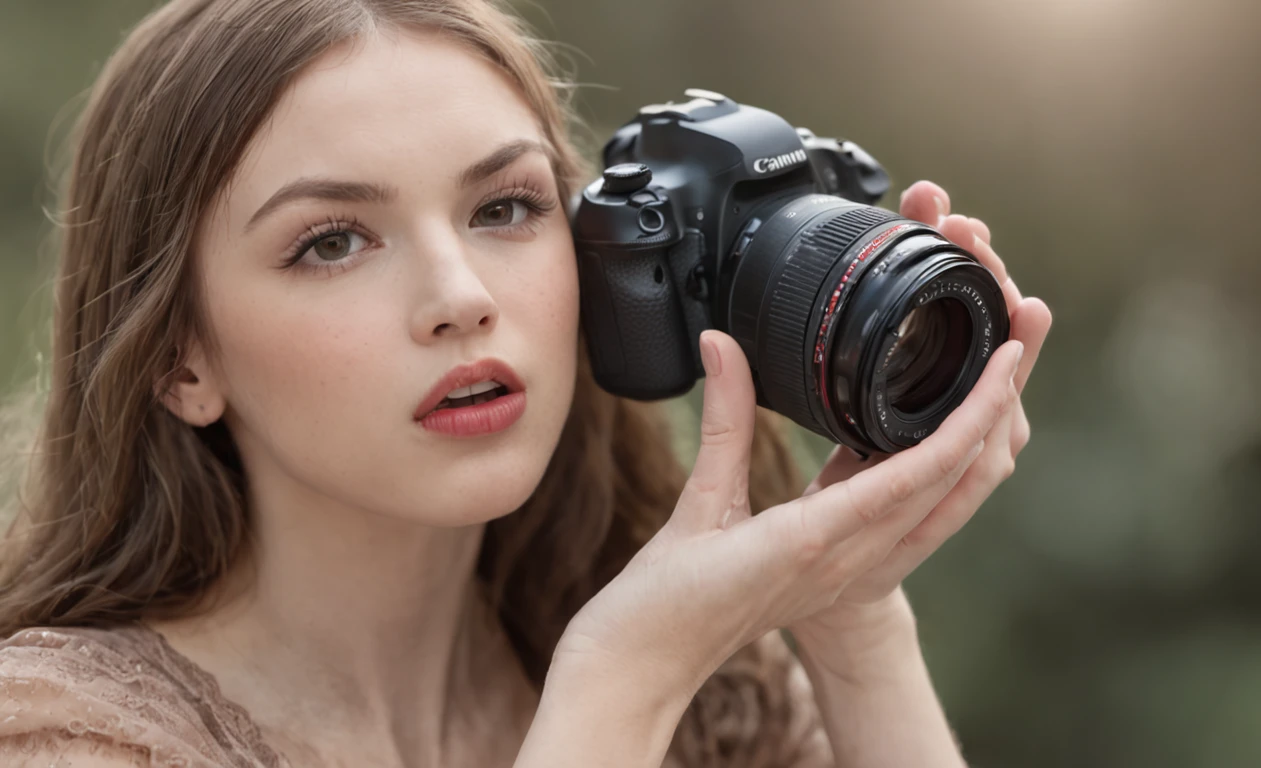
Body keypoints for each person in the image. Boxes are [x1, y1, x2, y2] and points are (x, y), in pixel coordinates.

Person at [0, 0, 1053, 766]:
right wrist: (621, 686)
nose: (459, 296)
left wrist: (853, 614)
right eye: (331, 242)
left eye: (503, 209)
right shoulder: (73, 738)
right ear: (182, 359)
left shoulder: (722, 702)